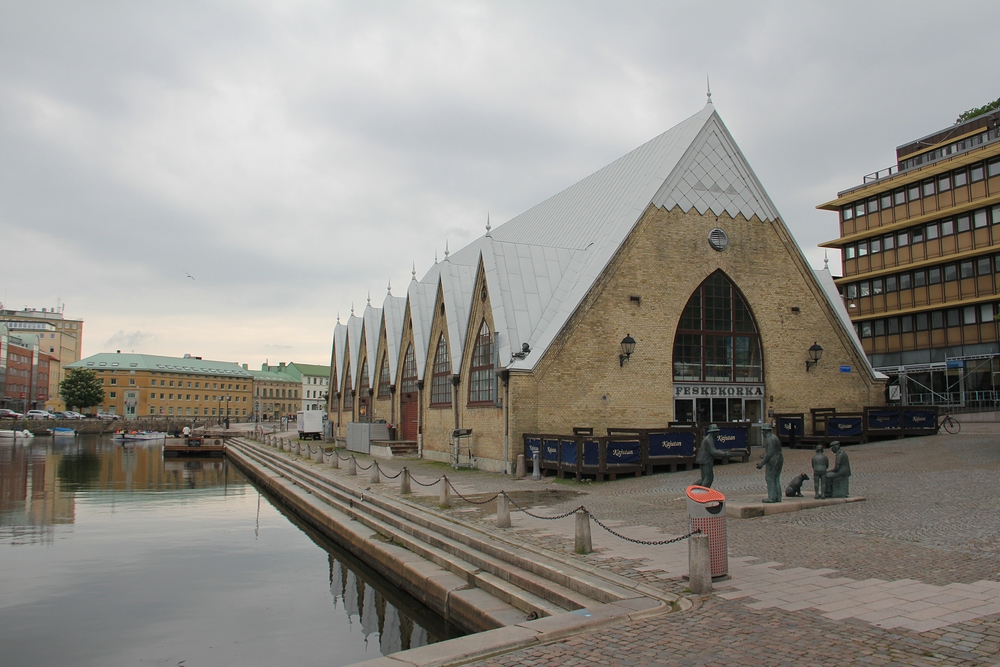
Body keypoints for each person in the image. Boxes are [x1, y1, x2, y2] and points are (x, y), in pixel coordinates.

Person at [757, 422, 783, 503]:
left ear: (765, 431)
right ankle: (778, 496)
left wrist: (762, 463)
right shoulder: (775, 437)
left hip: (773, 461)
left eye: (763, 431)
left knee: (770, 478)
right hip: (779, 459)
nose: (762, 433)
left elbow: (769, 454)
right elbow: (774, 451)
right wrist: (764, 456)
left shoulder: (769, 440)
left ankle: (772, 497)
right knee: (776, 478)